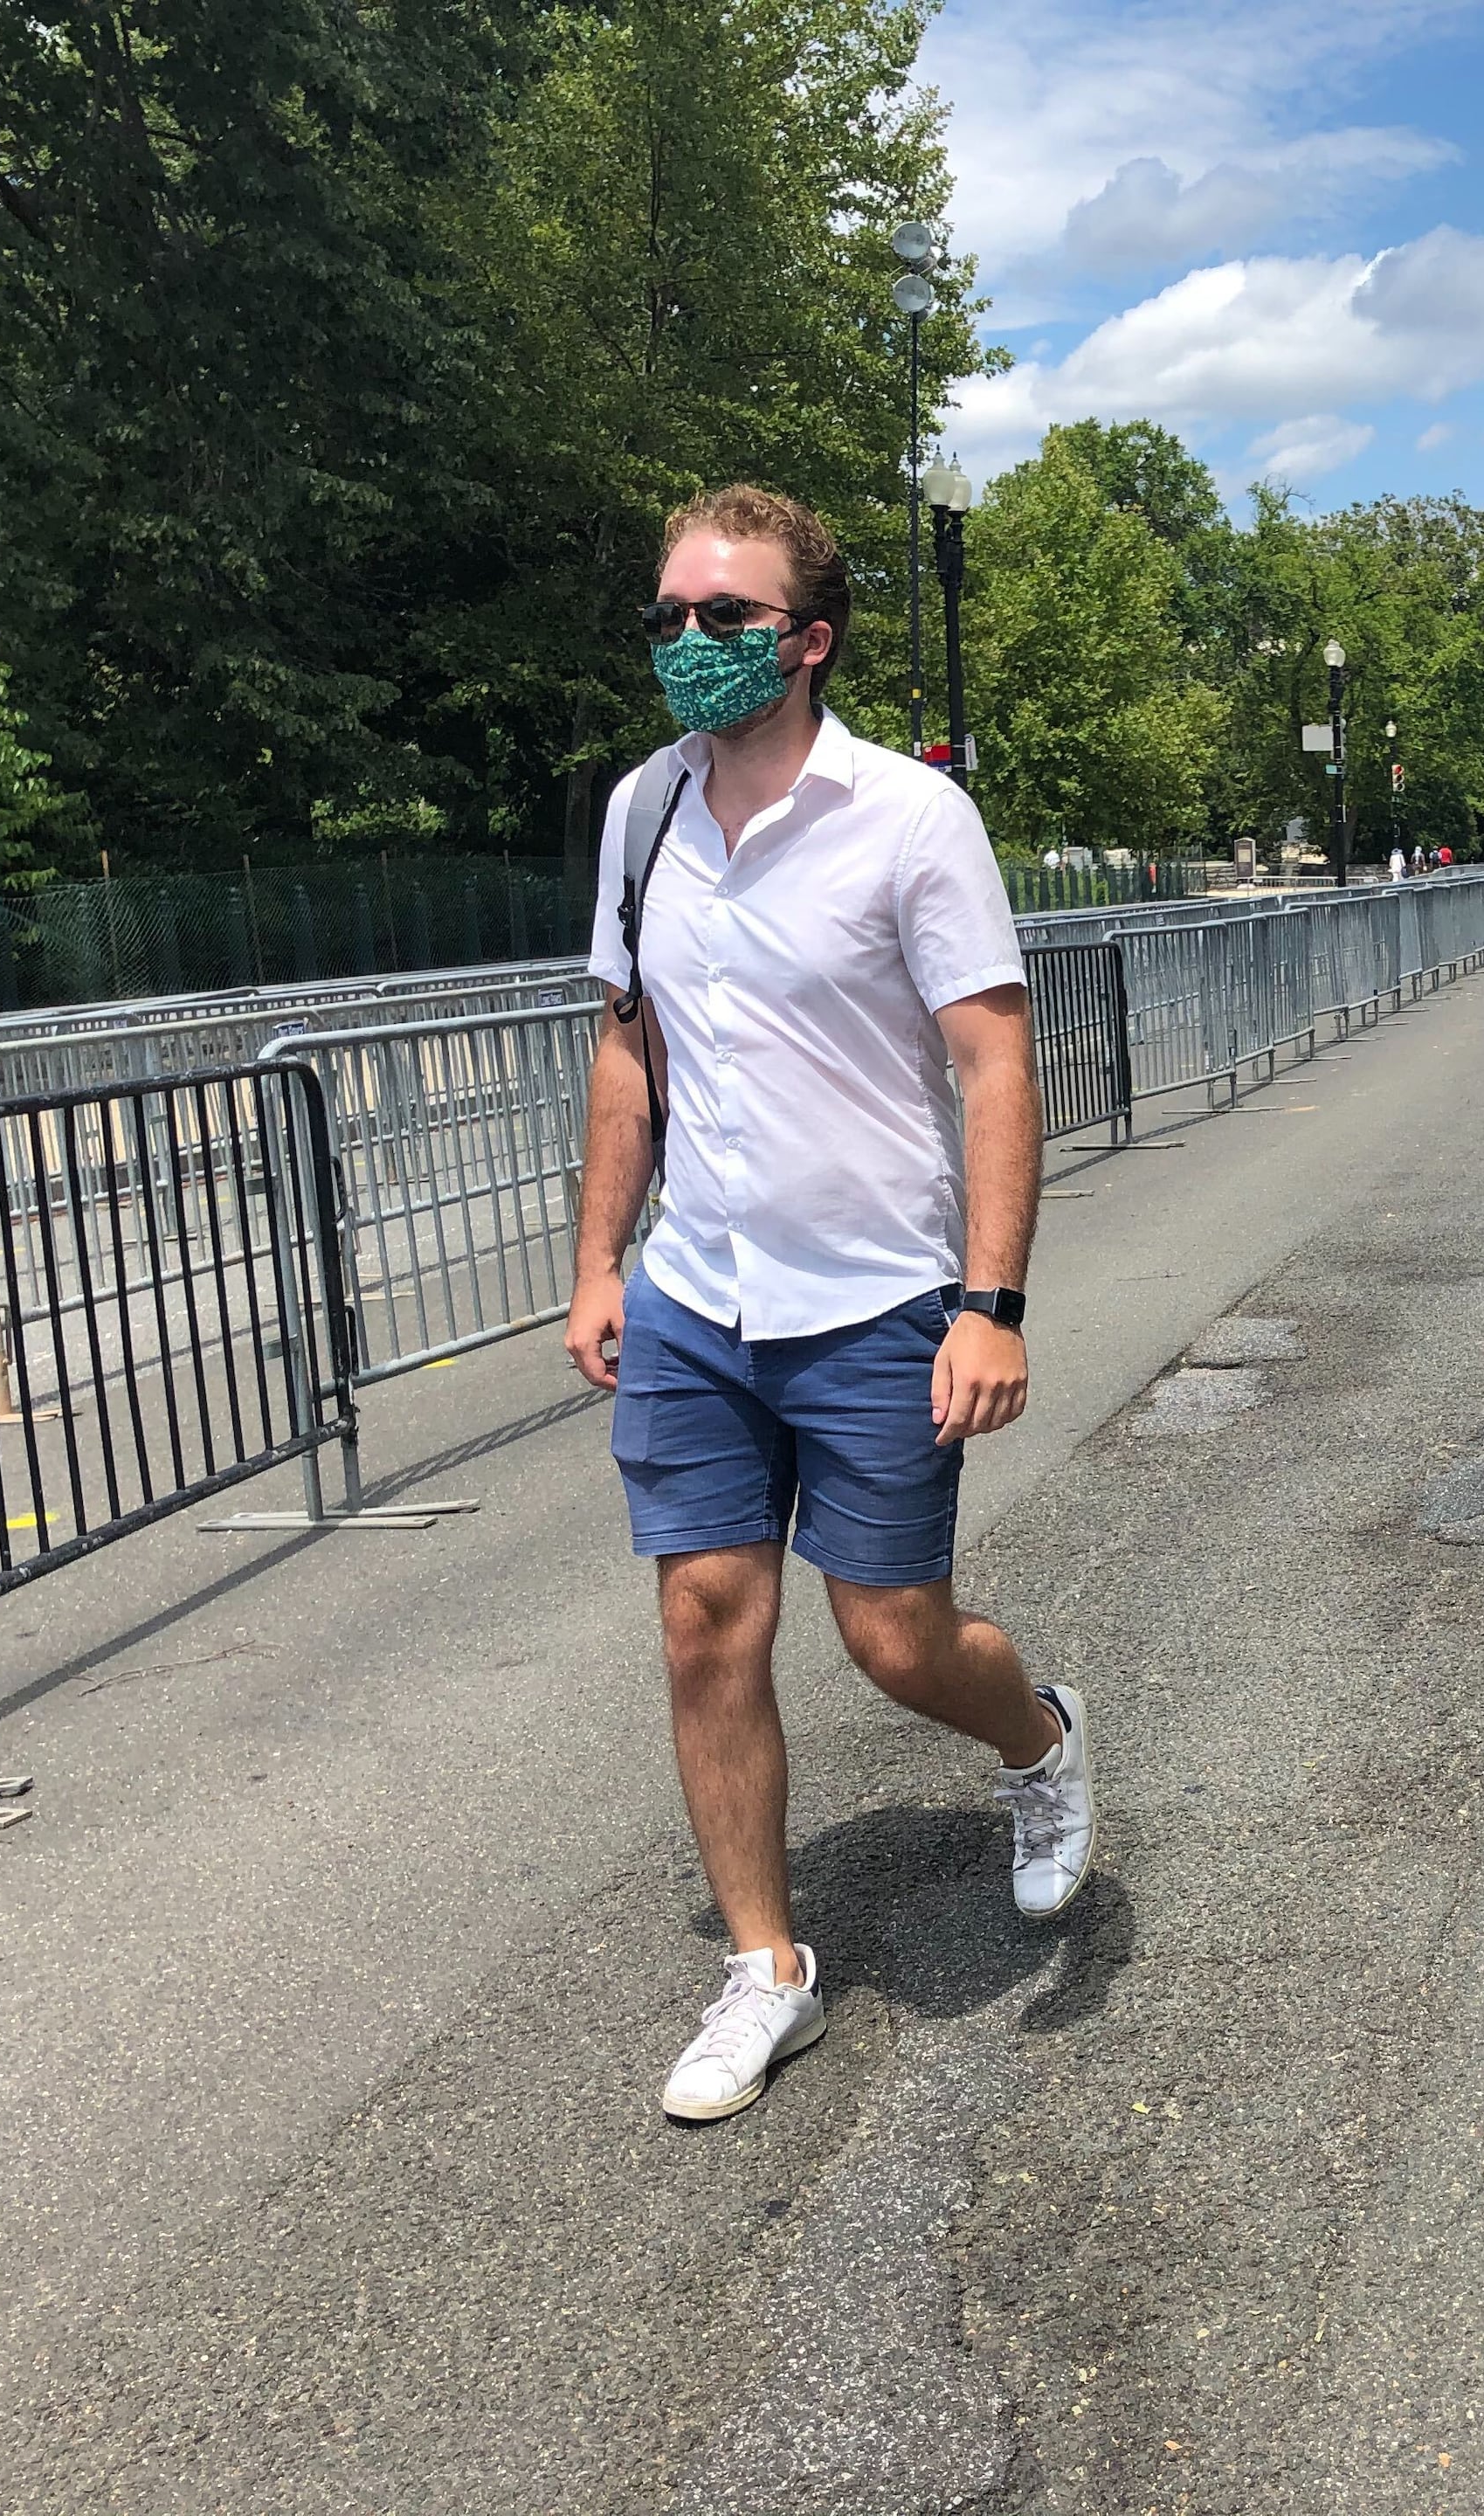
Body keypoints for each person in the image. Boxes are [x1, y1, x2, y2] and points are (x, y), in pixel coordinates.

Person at [566, 483, 1096, 2126]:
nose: (689, 645)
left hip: (875, 1301)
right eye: (667, 617)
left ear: (809, 636)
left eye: (724, 619)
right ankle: (765, 1970)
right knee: (703, 1624)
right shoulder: (643, 812)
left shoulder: (908, 818)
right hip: (696, 1301)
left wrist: (991, 1300)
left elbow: (994, 1059)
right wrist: (598, 1260)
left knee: (893, 1637)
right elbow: (625, 1047)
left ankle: (1041, 1742)